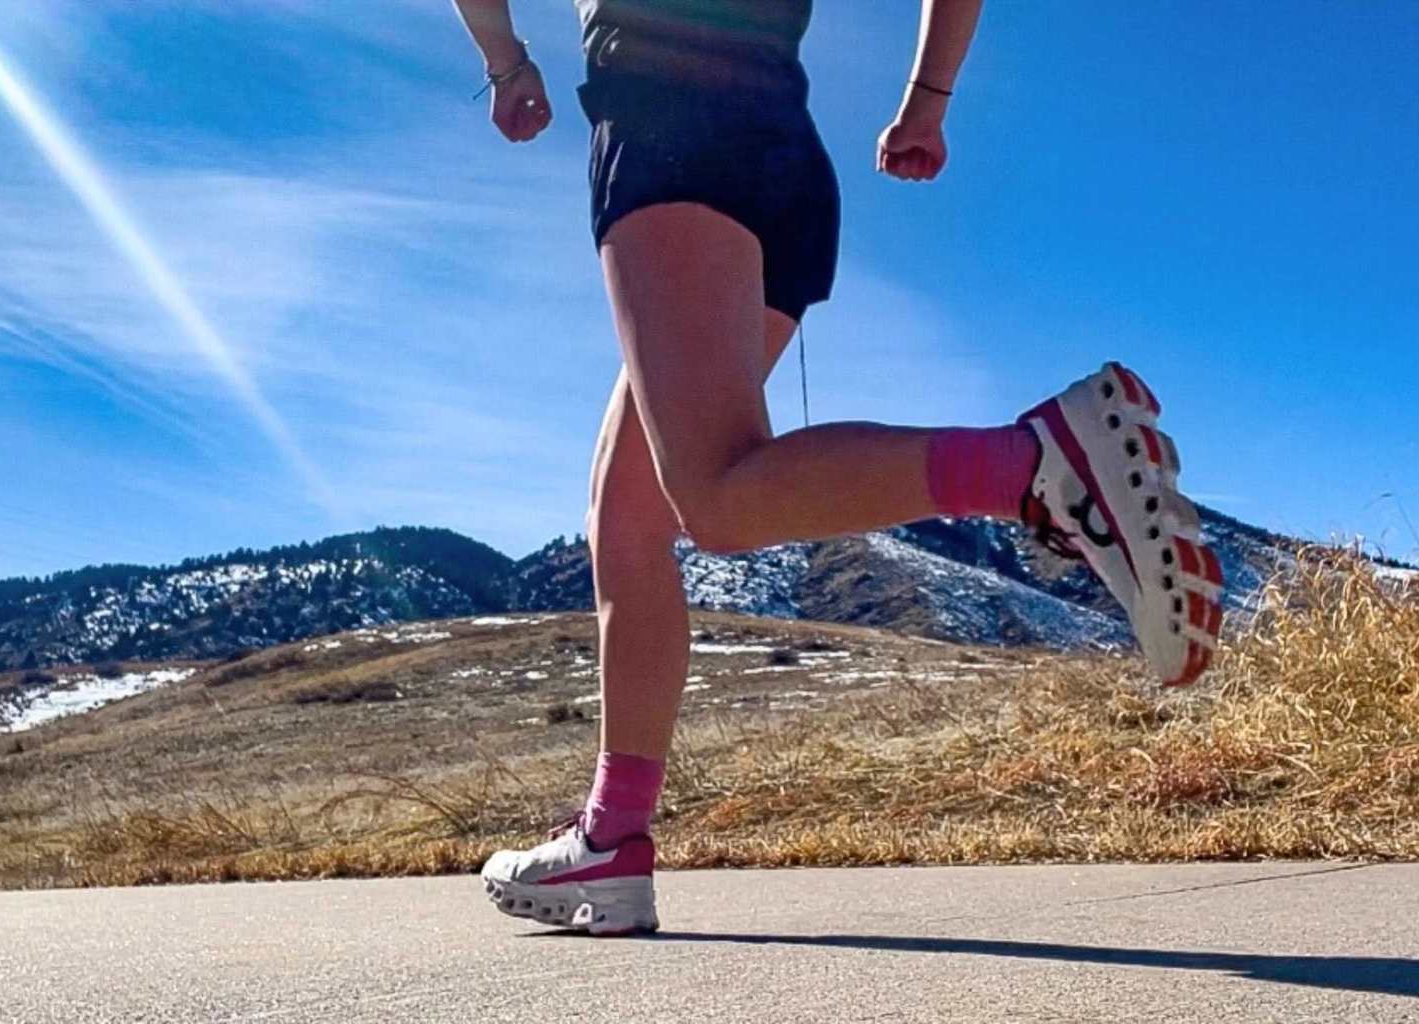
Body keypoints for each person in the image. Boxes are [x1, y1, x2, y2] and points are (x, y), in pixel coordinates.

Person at [452, 0, 1224, 936]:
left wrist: (505, 62)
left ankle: (1032, 465)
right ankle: (612, 842)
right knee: (628, 514)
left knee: (716, 496)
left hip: (666, 119)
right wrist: (927, 100)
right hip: (781, 158)